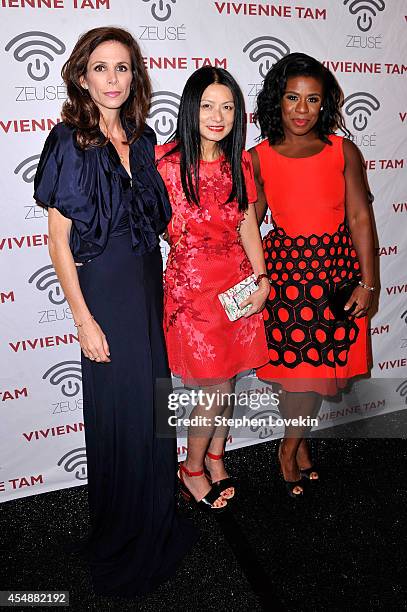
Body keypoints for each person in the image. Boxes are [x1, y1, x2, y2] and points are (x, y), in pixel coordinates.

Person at [34, 27, 196, 596]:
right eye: (100, 68)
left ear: (135, 76)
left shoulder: (143, 137)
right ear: (82, 76)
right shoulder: (67, 142)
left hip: (146, 283)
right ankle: (124, 536)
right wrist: (83, 319)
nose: (111, 79)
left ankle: (153, 521)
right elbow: (58, 242)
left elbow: (164, 221)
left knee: (152, 411)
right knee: (121, 417)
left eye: (122, 68)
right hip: (103, 294)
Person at [250, 53, 375, 498]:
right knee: (296, 371)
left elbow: (360, 218)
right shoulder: (258, 157)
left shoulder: (343, 150)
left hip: (336, 272)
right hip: (285, 277)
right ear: (277, 101)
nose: (301, 109)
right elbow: (252, 221)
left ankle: (293, 445)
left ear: (324, 105)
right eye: (292, 98)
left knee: (318, 369)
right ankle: (292, 447)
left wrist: (368, 281)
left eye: (312, 100)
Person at [156, 67, 270, 511]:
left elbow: (247, 223)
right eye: (207, 105)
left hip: (238, 284)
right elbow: (153, 225)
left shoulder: (239, 161)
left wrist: (262, 279)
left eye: (227, 106)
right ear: (191, 108)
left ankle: (217, 456)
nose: (218, 116)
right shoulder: (165, 163)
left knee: (231, 376)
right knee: (215, 388)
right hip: (194, 292)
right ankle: (192, 468)